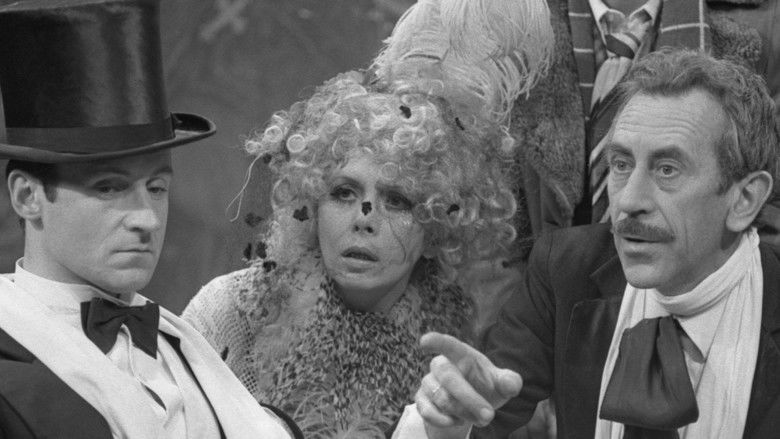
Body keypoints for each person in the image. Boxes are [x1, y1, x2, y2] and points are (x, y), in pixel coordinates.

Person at [182, 0, 553, 436]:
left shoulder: (454, 348)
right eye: (343, 193)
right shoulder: (233, 311)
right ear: (311, 205)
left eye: (396, 200)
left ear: (436, 230)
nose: (365, 219)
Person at [394, 49, 780, 438]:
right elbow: (480, 407)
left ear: (744, 200)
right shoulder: (566, 268)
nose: (628, 201)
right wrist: (446, 426)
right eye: (621, 165)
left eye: (667, 170)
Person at [0, 1, 298, 437]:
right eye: (109, 188)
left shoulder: (190, 353)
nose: (147, 220)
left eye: (156, 188)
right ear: (28, 196)